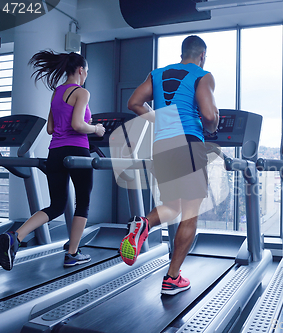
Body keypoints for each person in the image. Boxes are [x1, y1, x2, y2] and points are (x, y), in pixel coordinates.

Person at [121, 35, 219, 295]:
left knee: (171, 206)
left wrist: (161, 120)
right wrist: (212, 125)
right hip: (189, 143)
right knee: (189, 213)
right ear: (202, 55)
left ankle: (143, 223)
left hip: (163, 145)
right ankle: (172, 277)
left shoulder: (157, 73)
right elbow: (209, 116)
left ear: (182, 53)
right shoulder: (202, 75)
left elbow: (133, 103)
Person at [0, 50, 106, 271]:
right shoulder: (81, 92)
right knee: (82, 203)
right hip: (77, 152)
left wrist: (80, 121)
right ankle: (72, 253)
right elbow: (77, 125)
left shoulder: (57, 93)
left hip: (55, 152)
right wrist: (95, 128)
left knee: (56, 205)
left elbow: (50, 128)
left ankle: (15, 236)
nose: (86, 76)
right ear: (81, 70)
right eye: (86, 72)